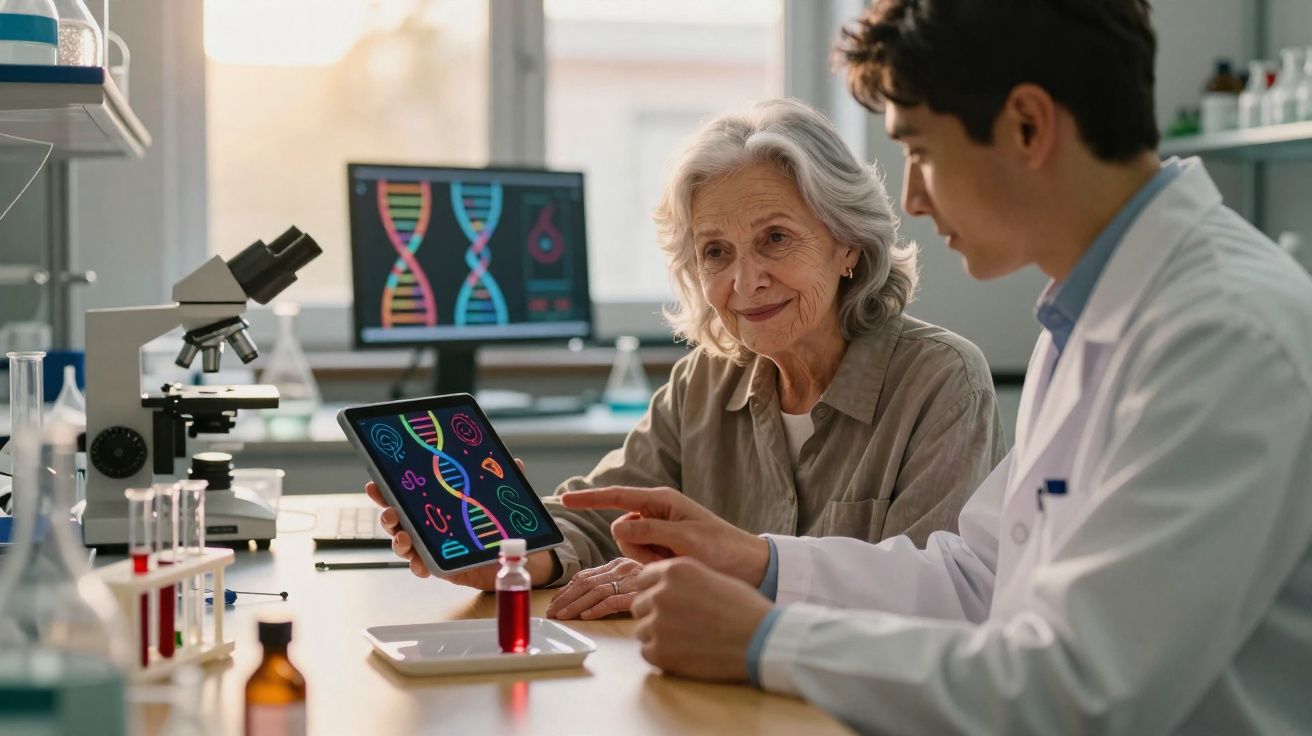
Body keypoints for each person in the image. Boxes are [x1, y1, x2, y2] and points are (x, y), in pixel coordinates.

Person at [558, 0, 1312, 732]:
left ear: (1027, 125)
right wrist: (759, 562)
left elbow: (1081, 690)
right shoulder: (1086, 317)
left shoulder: (1221, 333)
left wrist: (763, 641)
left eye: (918, 150)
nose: (911, 198)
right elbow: (974, 578)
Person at [367, 98, 1007, 620]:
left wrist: (716, 581)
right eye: (715, 252)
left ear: (849, 246)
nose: (744, 281)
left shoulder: (941, 382)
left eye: (774, 239)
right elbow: (597, 517)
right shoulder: (705, 380)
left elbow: (933, 604)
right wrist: (510, 559)